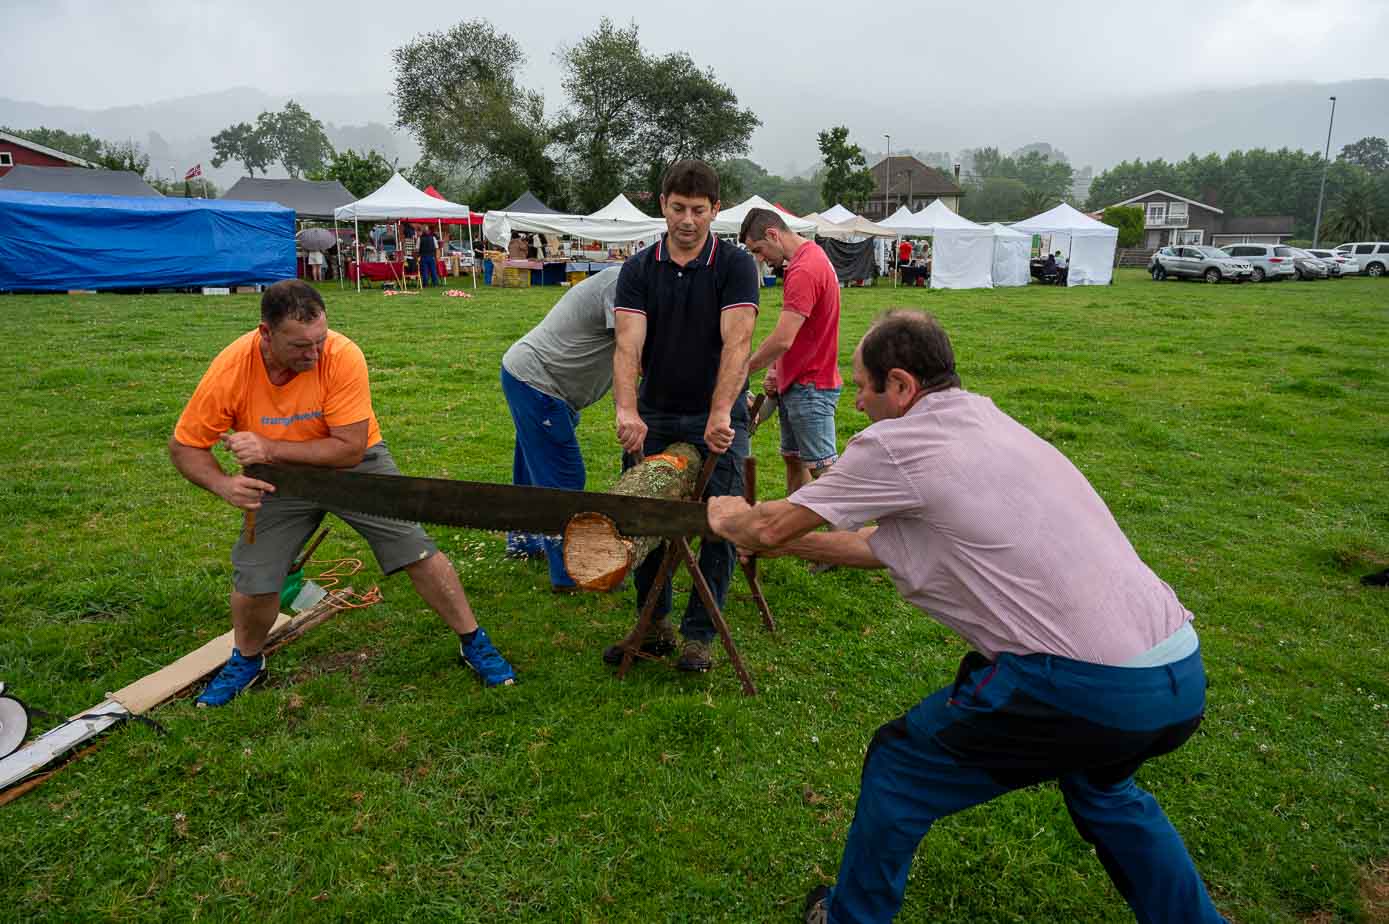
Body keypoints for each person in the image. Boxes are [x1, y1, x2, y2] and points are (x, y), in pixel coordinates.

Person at [708, 310, 1223, 924]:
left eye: (864, 388)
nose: (858, 406)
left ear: (900, 385)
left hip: (1085, 686)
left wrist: (727, 518)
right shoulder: (984, 417)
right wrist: (785, 545)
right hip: (1177, 669)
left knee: (901, 767)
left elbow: (764, 520)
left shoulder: (899, 443)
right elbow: (887, 546)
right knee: (1103, 788)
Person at [168, 280, 517, 706]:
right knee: (255, 579)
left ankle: (472, 639)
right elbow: (185, 445)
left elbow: (349, 449)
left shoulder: (342, 354)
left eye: (319, 341)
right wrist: (224, 484)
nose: (313, 354)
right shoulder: (231, 370)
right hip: (279, 478)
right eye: (300, 346)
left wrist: (268, 447)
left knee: (416, 549)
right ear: (265, 333)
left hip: (354, 464)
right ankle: (246, 660)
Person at [605, 158, 759, 673]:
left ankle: (700, 635)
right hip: (656, 412)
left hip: (715, 414)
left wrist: (720, 413)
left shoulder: (735, 266)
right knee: (644, 516)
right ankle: (654, 623)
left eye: (698, 210)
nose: (687, 220)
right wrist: (627, 410)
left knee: (717, 525)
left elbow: (738, 343)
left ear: (716, 210)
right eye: (677, 209)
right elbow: (628, 346)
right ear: (662, 205)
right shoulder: (639, 269)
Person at [500, 268, 622, 591]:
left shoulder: (635, 282)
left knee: (534, 466)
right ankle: (570, 572)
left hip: (537, 378)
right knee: (565, 479)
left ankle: (524, 540)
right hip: (540, 382)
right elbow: (634, 349)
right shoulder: (622, 285)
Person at [738, 207, 842, 495]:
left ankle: (846, 539)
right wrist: (776, 369)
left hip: (810, 385)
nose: (759, 258)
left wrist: (740, 369)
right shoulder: (811, 258)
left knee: (824, 472)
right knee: (794, 461)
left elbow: (783, 338)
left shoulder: (804, 269)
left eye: (758, 249)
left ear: (773, 234)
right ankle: (796, 535)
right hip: (798, 382)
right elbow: (801, 333)